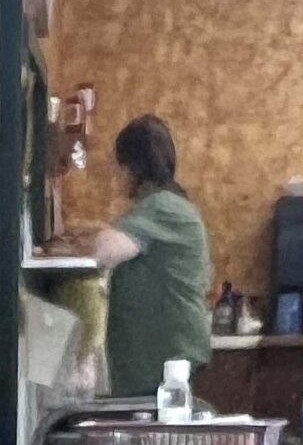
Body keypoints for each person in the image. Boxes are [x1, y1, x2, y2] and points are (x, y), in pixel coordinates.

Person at [88, 115, 213, 401]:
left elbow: (103, 251)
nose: (115, 175)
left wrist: (87, 237)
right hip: (164, 359)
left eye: (118, 166)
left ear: (132, 168)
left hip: (165, 363)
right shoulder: (169, 205)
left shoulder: (162, 207)